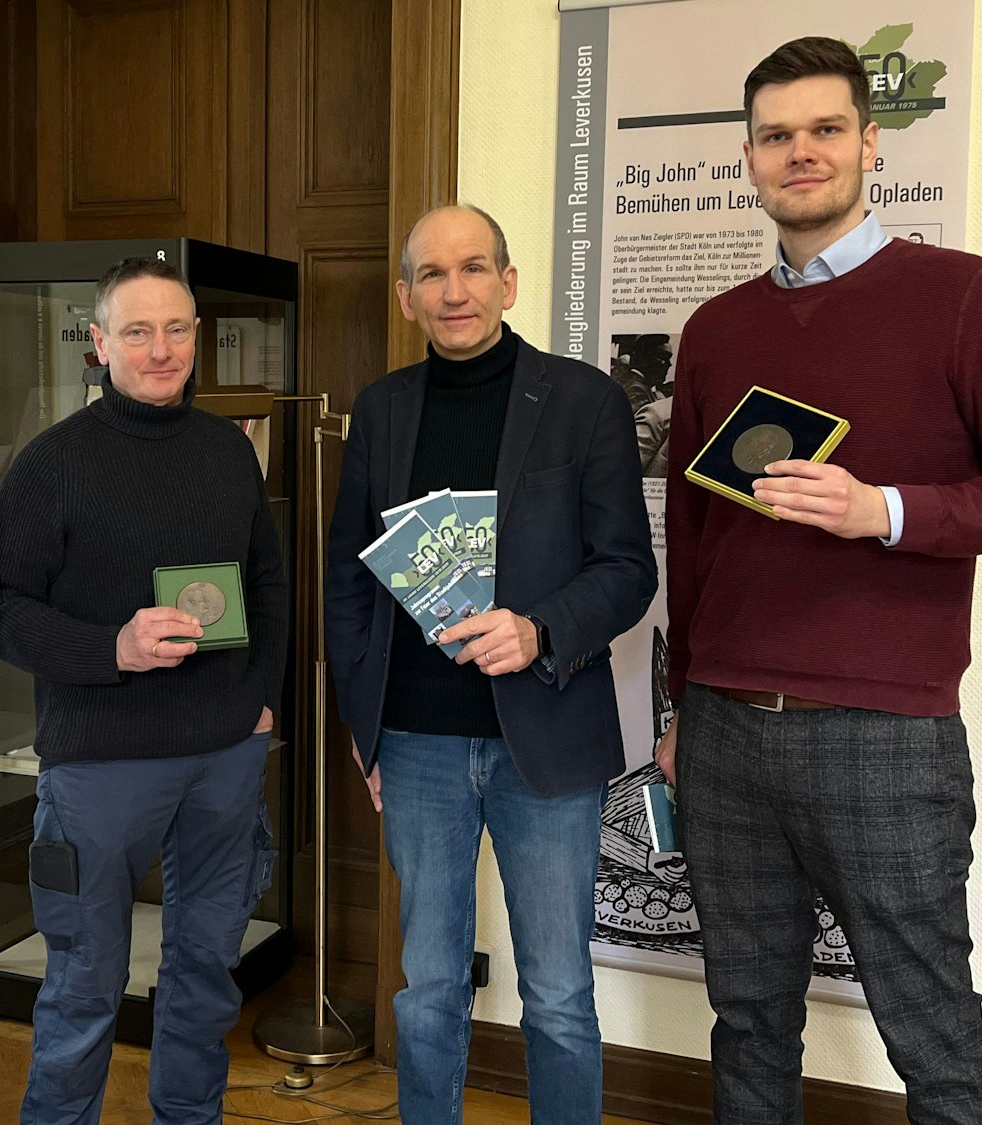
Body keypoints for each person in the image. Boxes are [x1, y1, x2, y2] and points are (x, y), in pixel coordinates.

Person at [654, 38, 982, 1124]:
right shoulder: (715, 330)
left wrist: (881, 511)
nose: (798, 153)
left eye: (822, 130)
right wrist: (677, 708)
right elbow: (692, 540)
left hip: (883, 737)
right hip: (723, 733)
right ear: (745, 158)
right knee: (746, 1019)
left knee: (929, 1028)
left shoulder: (962, 298)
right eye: (774, 136)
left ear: (868, 144)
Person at [325, 203, 655, 1124]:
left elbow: (630, 570)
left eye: (474, 268)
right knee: (426, 989)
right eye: (432, 274)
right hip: (417, 743)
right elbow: (348, 577)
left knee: (555, 995)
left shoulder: (584, 401)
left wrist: (541, 629)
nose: (454, 289)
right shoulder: (384, 409)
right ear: (406, 296)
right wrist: (366, 726)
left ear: (509, 283)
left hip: (545, 741)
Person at [0, 256, 288, 1124]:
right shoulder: (52, 466)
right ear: (98, 342)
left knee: (204, 975)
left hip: (225, 757)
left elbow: (267, 583)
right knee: (85, 987)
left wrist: (261, 700)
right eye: (136, 330)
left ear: (198, 337)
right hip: (99, 765)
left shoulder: (227, 453)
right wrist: (111, 646)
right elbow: (1, 610)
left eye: (177, 329)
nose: (160, 349)